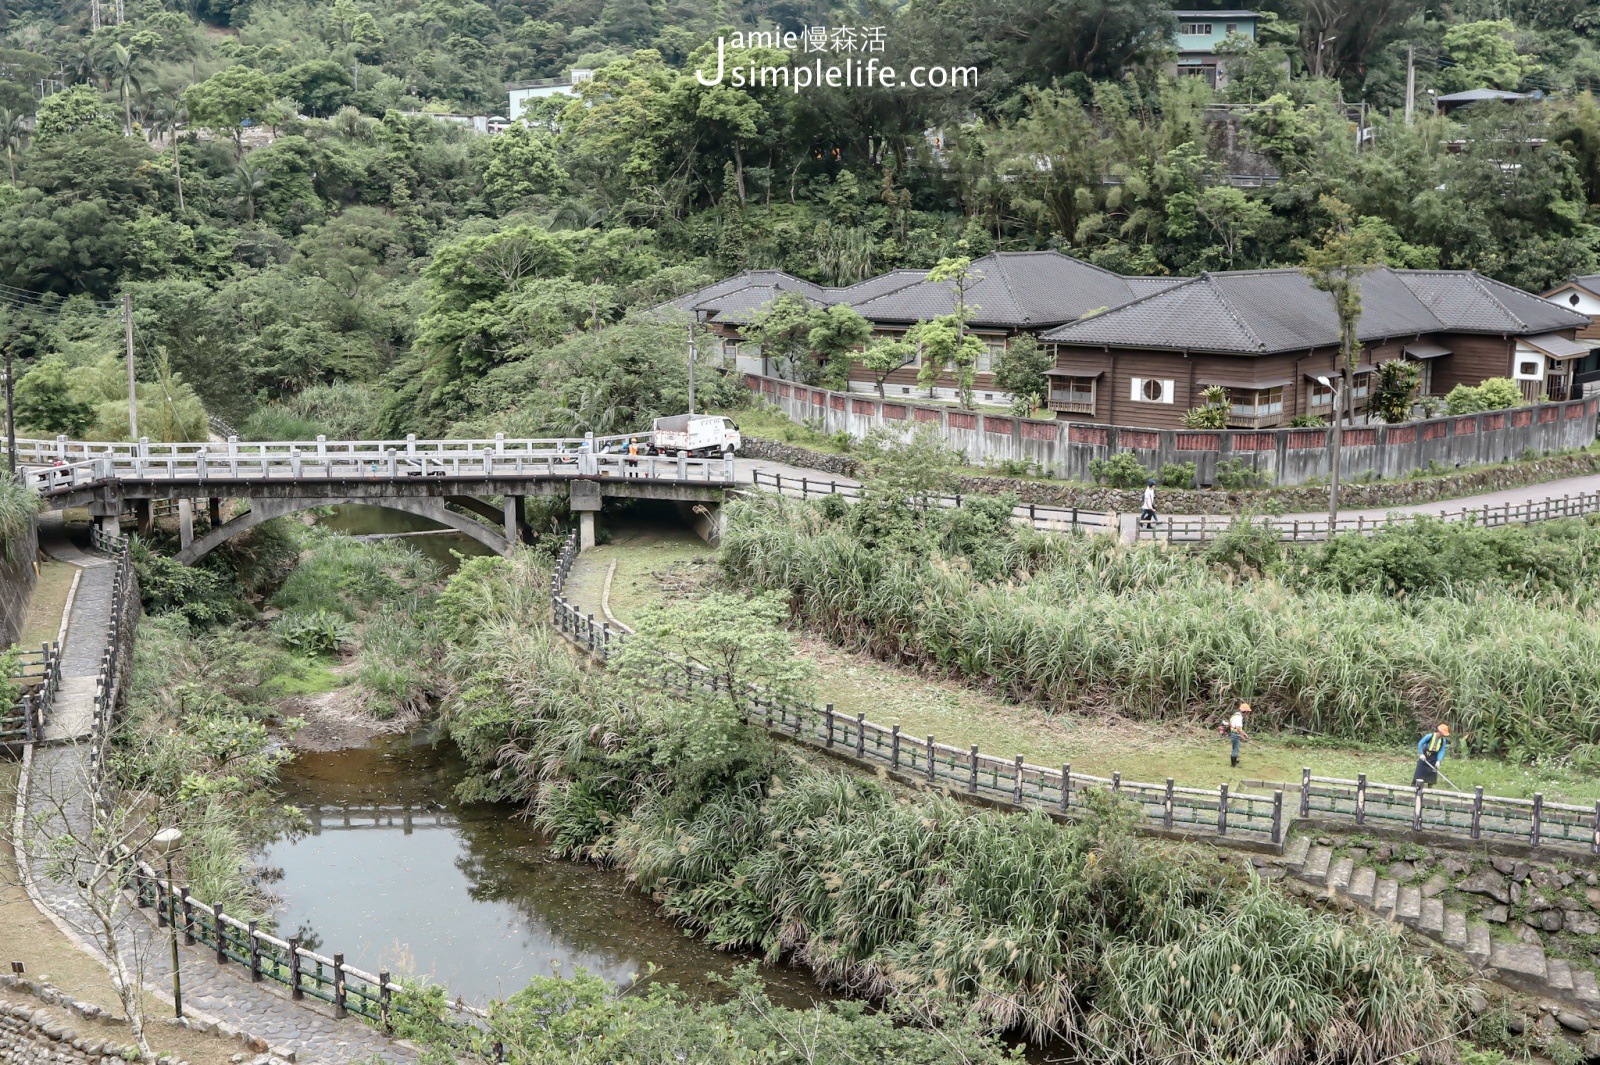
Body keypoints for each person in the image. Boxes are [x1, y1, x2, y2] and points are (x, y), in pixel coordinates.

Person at [1226, 701, 1251, 768]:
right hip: (1235, 734)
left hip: (1233, 733)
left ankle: (1235, 760)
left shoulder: (1235, 715)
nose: (1247, 713)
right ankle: (1233, 764)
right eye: (1247, 712)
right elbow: (1238, 728)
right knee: (1235, 749)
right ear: (1245, 712)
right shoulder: (1238, 718)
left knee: (1235, 747)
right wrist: (1242, 736)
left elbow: (1237, 727)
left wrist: (1244, 734)